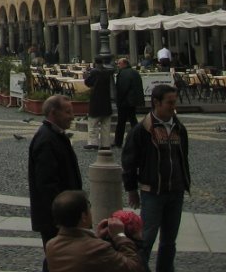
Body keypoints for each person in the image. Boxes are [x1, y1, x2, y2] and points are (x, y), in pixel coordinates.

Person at [122, 83, 191, 272]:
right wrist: (131, 190)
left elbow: (182, 157)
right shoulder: (142, 129)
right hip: (152, 191)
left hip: (175, 191)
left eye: (174, 102)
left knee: (169, 241)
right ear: (156, 103)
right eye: (169, 102)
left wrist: (185, 182)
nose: (173, 106)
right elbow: (129, 161)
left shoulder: (178, 127)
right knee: (146, 239)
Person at [28, 95, 82, 270]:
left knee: (57, 259)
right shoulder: (47, 140)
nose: (72, 116)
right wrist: (64, 213)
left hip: (60, 214)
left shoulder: (54, 136)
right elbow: (47, 184)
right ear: (53, 113)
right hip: (56, 217)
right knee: (57, 260)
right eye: (68, 112)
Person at [44, 189, 144, 272]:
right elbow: (134, 267)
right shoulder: (98, 248)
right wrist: (120, 235)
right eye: (89, 206)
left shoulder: (51, 246)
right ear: (83, 216)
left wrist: (96, 237)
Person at [84, 57, 115, 149]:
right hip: (106, 101)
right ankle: (105, 144)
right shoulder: (107, 72)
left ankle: (93, 143)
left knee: (93, 124)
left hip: (96, 101)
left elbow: (88, 82)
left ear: (95, 62)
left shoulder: (94, 72)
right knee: (106, 125)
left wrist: (86, 76)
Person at [113, 57, 144, 148]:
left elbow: (122, 88)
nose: (118, 65)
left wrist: (118, 100)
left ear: (124, 64)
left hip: (125, 101)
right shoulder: (134, 72)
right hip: (133, 101)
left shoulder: (123, 73)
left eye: (119, 63)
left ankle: (118, 141)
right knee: (133, 120)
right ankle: (138, 139)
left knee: (121, 122)